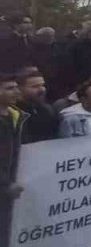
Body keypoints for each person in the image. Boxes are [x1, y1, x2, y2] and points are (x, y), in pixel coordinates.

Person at [1, 73, 30, 242]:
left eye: (16, 87)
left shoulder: (17, 116)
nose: (16, 91)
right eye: (9, 88)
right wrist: (4, 184)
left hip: (13, 187)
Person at [16, 71, 58, 143]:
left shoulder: (47, 110)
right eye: (35, 86)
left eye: (42, 85)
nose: (42, 89)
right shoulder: (12, 112)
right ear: (19, 88)